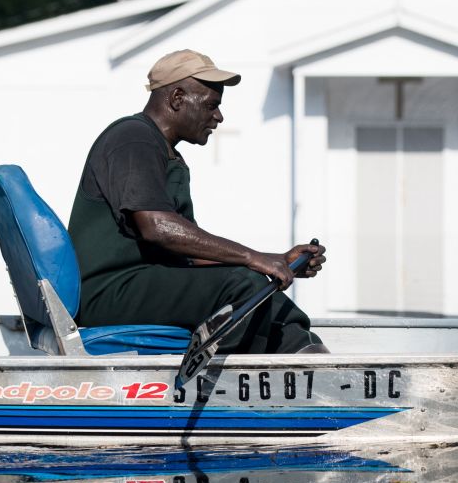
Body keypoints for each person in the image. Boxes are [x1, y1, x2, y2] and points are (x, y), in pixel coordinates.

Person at [67, 49, 329, 354]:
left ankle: (304, 352)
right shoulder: (134, 138)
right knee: (242, 282)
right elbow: (157, 227)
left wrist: (275, 260)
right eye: (211, 105)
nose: (218, 116)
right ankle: (244, 367)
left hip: (140, 282)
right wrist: (250, 257)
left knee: (252, 281)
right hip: (109, 290)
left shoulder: (163, 151)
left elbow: (188, 253)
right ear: (177, 98)